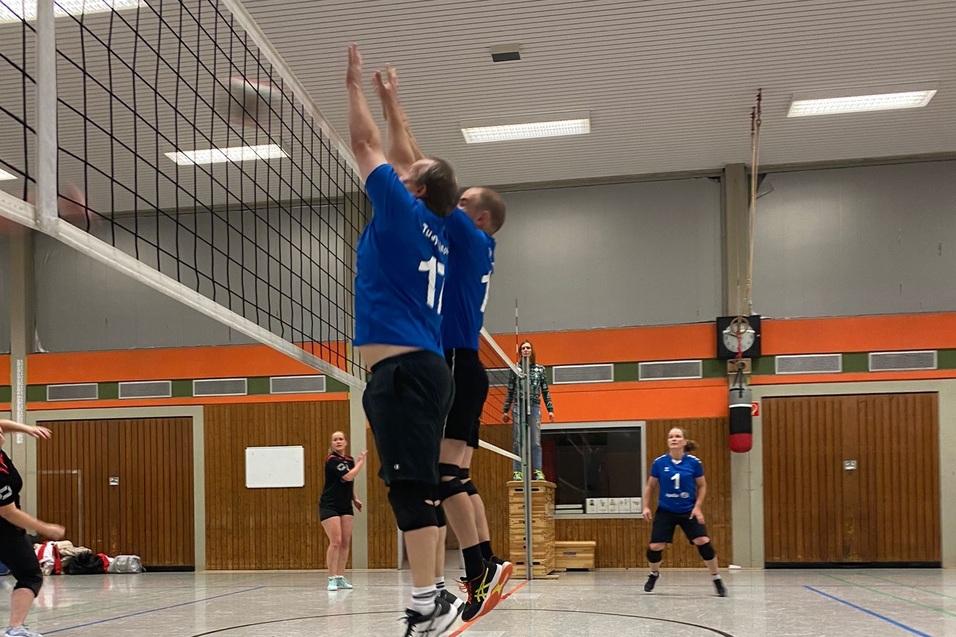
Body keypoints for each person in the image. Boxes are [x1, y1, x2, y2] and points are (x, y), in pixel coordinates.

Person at [371, 64, 508, 622]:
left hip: (450, 358)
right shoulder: (476, 244)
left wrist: (393, 106)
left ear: (476, 216)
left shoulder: (465, 233)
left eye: (461, 201)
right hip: (465, 362)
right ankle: (484, 565)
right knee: (455, 476)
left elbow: (415, 165)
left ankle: (481, 567)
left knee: (441, 479)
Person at [346, 44, 461, 636]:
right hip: (422, 369)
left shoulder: (400, 209)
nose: (401, 167)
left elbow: (369, 149)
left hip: (404, 373)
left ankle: (426, 603)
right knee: (421, 483)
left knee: (410, 487)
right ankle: (433, 593)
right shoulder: (440, 225)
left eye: (408, 173)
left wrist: (354, 88)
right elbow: (407, 154)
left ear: (412, 188)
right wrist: (395, 105)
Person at [641, 427, 727, 597]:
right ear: (668, 441)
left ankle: (716, 578)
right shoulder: (659, 463)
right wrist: (646, 506)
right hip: (666, 510)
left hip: (688, 510)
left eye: (678, 436)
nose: (674, 439)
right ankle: (654, 573)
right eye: (671, 436)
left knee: (703, 540)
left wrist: (697, 507)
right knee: (655, 546)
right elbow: (650, 486)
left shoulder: (694, 462)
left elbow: (702, 485)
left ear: (684, 441)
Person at [0, 419, 66, 637]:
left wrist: (27, 428)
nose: (1, 432)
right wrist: (45, 528)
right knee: (30, 575)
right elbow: (8, 512)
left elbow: (1, 423)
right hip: (5, 528)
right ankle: (15, 629)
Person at [319, 431, 367, 591]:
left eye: (341, 439)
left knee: (346, 542)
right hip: (329, 505)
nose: (338, 441)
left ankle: (340, 577)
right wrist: (361, 462)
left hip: (345, 505)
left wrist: (355, 498)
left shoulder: (349, 460)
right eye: (335, 440)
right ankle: (331, 578)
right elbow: (348, 477)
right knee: (336, 541)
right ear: (332, 444)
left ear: (345, 442)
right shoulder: (331, 460)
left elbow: (348, 484)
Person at [502, 340, 554, 480]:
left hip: (534, 405)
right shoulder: (515, 369)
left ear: (531, 351)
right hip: (519, 405)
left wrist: (550, 409)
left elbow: (545, 390)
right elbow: (510, 390)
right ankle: (517, 471)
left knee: (535, 441)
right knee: (518, 439)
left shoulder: (540, 369)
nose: (525, 350)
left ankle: (537, 470)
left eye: (528, 347)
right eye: (523, 348)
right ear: (520, 352)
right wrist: (506, 410)